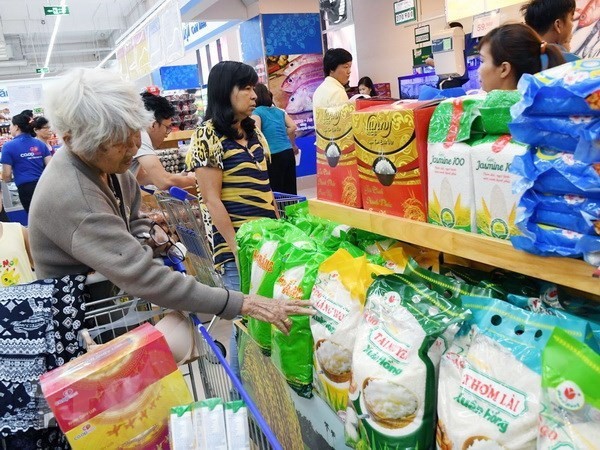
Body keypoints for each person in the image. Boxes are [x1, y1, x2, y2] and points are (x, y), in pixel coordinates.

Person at [28, 68, 309, 337]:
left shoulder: (111, 170)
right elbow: (142, 275)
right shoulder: (74, 195)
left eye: (134, 134)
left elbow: (134, 220)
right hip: (83, 323)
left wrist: (149, 235)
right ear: (73, 140)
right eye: (118, 143)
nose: (133, 149)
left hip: (113, 309)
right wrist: (240, 303)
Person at [186, 61, 280, 376]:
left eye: (254, 87)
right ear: (226, 92)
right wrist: (236, 249)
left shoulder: (252, 131)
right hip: (236, 249)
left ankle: (260, 395)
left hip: (267, 243)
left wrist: (279, 229)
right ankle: (243, 399)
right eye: (246, 88)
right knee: (247, 326)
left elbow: (266, 187)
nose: (254, 94)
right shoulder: (208, 134)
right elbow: (212, 200)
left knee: (262, 320)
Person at [130, 92, 196, 189]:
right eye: (167, 127)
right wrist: (192, 180)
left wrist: (181, 177)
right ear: (154, 125)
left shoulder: (138, 132)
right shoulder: (141, 136)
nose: (167, 134)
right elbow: (163, 182)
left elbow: (142, 178)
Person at [478, 23, 566, 92]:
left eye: (482, 61)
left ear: (504, 69)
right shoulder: (537, 109)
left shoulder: (503, 114)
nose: (478, 70)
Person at [251, 83, 299, 195]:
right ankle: (293, 212)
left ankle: (280, 213)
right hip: (287, 152)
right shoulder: (279, 111)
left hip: (273, 156)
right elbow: (293, 126)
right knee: (290, 190)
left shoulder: (256, 112)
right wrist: (287, 138)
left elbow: (257, 133)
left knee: (277, 191)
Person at [1, 113, 52, 212]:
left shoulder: (8, 146)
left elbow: (6, 174)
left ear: (16, 127)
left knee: (34, 217)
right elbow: (51, 166)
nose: (10, 128)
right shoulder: (40, 144)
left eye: (11, 125)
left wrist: (7, 180)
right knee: (48, 214)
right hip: (44, 185)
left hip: (26, 188)